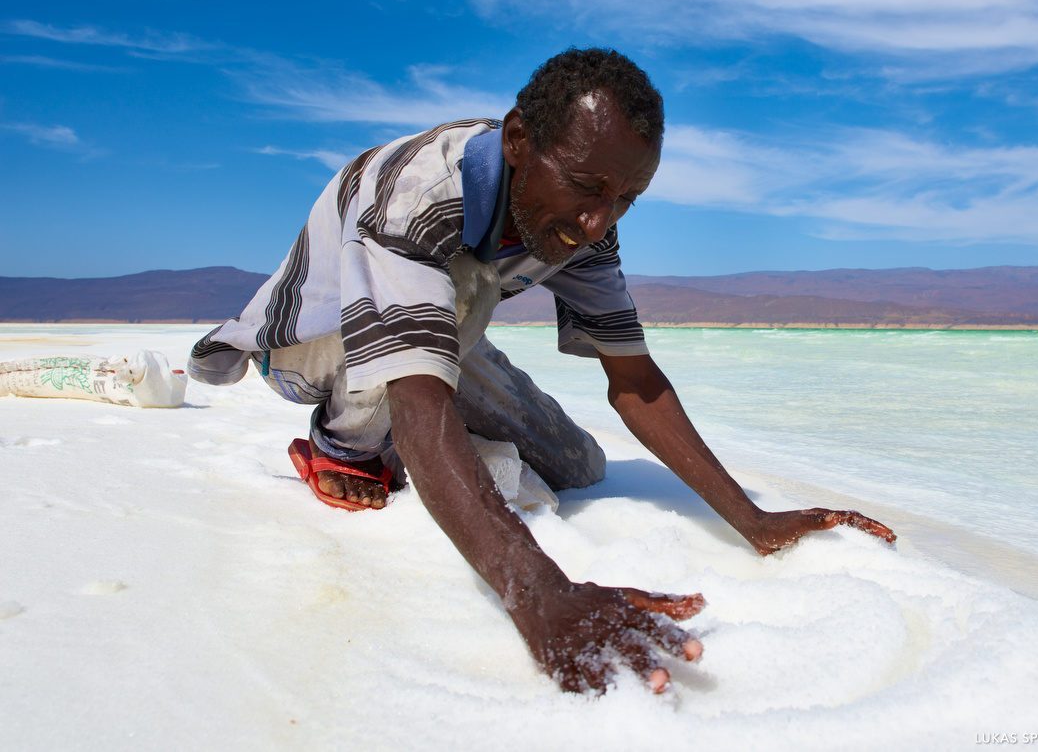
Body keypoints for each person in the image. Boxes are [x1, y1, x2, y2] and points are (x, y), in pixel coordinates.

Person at [188, 48, 896, 695]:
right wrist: (540, 594)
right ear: (520, 140)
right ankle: (343, 448)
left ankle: (426, 456)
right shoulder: (417, 194)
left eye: (624, 200)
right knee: (447, 334)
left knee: (579, 464)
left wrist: (754, 519)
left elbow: (635, 380)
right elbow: (421, 396)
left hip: (437, 338)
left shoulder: (586, 226)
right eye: (589, 187)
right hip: (314, 346)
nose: (598, 222)